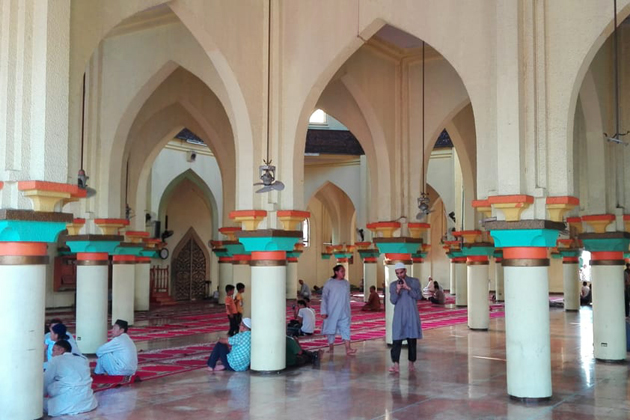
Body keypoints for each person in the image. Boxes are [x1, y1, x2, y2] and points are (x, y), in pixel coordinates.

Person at [44, 340, 97, 417]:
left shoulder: (56, 360)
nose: (52, 354)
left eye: (53, 350)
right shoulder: (83, 359)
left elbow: (46, 381)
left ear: (61, 350)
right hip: (88, 403)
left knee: (38, 404)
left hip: (68, 403)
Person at [389, 262, 423, 373]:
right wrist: (398, 290)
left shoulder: (414, 282)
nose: (400, 275)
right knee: (396, 340)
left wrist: (408, 288)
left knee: (412, 340)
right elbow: (393, 300)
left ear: (405, 271)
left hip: (411, 314)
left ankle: (411, 363)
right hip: (399, 315)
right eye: (397, 273)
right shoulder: (393, 285)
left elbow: (418, 296)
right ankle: (396, 364)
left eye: (401, 272)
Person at [321, 265, 356, 355]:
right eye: (342, 271)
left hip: (344, 311)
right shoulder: (329, 283)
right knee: (331, 329)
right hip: (332, 311)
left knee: (346, 329)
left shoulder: (346, 283)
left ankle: (348, 348)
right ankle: (331, 347)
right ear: (336, 272)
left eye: (344, 271)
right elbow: (324, 297)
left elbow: (347, 297)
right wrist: (324, 311)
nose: (343, 273)